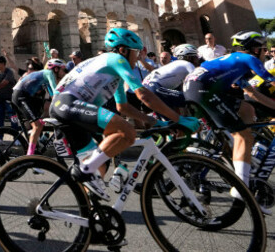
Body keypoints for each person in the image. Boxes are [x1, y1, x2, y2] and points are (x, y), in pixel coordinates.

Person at [50, 28, 198, 201]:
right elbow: (143, 95)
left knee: (101, 164)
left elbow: (123, 107)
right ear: (123, 50)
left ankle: (91, 215)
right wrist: (178, 118)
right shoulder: (117, 59)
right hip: (66, 104)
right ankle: (84, 170)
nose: (138, 57)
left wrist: (155, 122)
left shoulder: (112, 71)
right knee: (126, 132)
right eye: (136, 52)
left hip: (70, 108)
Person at [184, 31, 275, 210]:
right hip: (202, 89)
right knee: (244, 136)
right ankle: (241, 186)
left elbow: (252, 94)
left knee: (247, 109)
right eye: (263, 49)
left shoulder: (237, 63)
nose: (265, 52)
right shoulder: (250, 59)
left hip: (199, 87)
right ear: (255, 49)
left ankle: (241, 151)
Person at [13, 58, 67, 155]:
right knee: (37, 125)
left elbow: (53, 96)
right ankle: (30, 156)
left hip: (25, 96)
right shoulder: (48, 73)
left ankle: (34, 139)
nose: (64, 73)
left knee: (40, 124)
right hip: (20, 96)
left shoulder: (46, 78)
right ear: (56, 69)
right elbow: (56, 91)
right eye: (63, 70)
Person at [142, 44, 200, 114]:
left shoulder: (178, 64)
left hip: (147, 86)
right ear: (188, 57)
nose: (197, 58)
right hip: (153, 86)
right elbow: (197, 79)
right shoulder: (187, 64)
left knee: (172, 119)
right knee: (191, 99)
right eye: (195, 56)